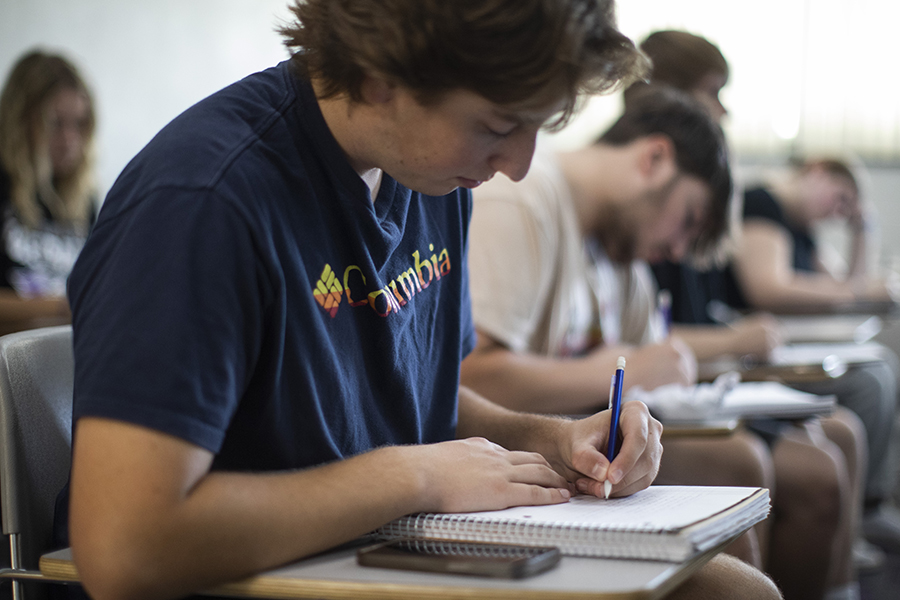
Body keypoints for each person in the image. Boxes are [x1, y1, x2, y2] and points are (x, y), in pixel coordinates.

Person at [55, 2, 780, 600]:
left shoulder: (429, 176)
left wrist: (551, 440)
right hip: (265, 576)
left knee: (738, 589)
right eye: (499, 125)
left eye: (540, 126)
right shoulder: (203, 203)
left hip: (377, 548)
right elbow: (128, 547)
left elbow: (421, 399)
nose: (520, 165)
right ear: (380, 77)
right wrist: (415, 475)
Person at [460, 86, 855, 600]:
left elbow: (653, 362)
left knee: (794, 453)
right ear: (653, 159)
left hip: (579, 442)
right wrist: (618, 373)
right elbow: (472, 374)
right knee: (741, 463)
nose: (674, 249)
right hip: (515, 444)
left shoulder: (620, 255)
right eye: (687, 221)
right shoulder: (523, 198)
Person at [638, 31, 900, 574]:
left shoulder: (707, 197)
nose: (725, 108)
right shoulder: (750, 204)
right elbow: (657, 337)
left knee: (843, 432)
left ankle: (842, 565)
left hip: (708, 365)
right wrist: (739, 339)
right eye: (714, 92)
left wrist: (863, 229)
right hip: (691, 375)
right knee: (829, 432)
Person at [0, 50, 96, 336]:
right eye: (55, 123)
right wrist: (60, 308)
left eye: (79, 124)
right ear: (21, 121)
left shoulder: (84, 201)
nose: (70, 140)